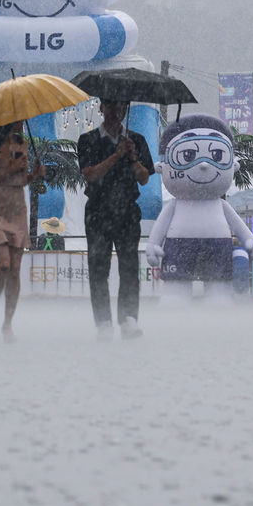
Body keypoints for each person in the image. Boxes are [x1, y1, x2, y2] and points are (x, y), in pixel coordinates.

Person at [77, 99, 154, 340]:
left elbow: (144, 178)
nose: (116, 112)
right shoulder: (88, 139)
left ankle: (129, 318)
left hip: (127, 211)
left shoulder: (136, 140)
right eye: (111, 106)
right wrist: (115, 155)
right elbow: (90, 174)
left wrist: (131, 156)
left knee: (129, 266)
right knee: (99, 267)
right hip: (99, 211)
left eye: (121, 107)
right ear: (101, 108)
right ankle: (103, 322)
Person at [0, 121, 45, 342]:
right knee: (4, 265)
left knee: (15, 269)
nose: (20, 121)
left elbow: (20, 179)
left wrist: (33, 175)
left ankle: (7, 323)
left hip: (16, 208)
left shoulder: (22, 143)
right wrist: (10, 168)